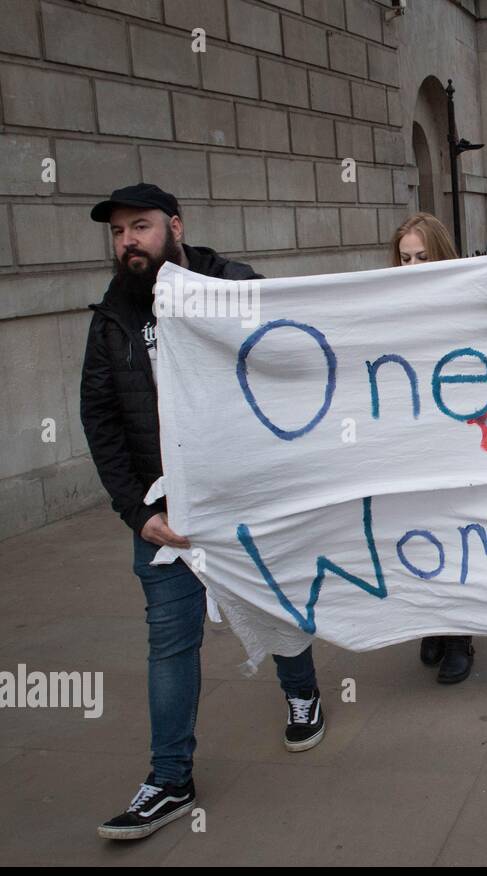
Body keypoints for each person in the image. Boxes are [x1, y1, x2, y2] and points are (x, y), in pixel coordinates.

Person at [82, 184, 324, 840]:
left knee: (273, 603)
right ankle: (169, 778)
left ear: (175, 227)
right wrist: (136, 512)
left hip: (243, 498)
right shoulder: (112, 319)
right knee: (170, 639)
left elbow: (295, 351)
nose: (128, 241)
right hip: (166, 515)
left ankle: (302, 692)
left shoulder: (233, 286)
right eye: (118, 233)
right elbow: (99, 418)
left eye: (141, 226)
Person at [387, 213, 478, 681]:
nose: (413, 266)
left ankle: (460, 632)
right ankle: (431, 621)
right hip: (410, 444)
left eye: (423, 257)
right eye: (405, 258)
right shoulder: (386, 306)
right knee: (415, 534)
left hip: (454, 442)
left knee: (452, 532)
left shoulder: (465, 304)